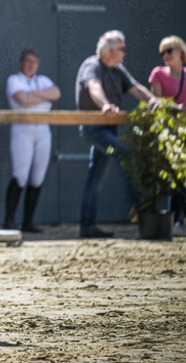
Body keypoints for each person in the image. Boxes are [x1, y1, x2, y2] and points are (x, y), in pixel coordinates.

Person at [75, 30, 159, 238]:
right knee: (123, 152)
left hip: (109, 129)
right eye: (122, 48)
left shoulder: (117, 70)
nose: (124, 52)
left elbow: (136, 88)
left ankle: (87, 224)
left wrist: (153, 101)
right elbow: (94, 87)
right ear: (110, 51)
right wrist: (105, 105)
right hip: (94, 129)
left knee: (95, 177)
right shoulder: (92, 65)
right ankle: (137, 205)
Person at [3, 49, 61, 232]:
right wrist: (41, 96)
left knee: (38, 177)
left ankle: (28, 221)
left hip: (43, 130)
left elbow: (56, 93)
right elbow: (22, 99)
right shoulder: (14, 80)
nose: (31, 65)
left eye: (34, 62)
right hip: (23, 129)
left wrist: (33, 95)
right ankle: (9, 220)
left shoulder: (42, 80)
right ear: (21, 62)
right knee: (20, 175)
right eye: (28, 61)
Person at [147, 35, 186, 229]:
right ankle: (178, 219)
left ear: (180, 52)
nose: (165, 55)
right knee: (176, 174)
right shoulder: (158, 74)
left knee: (185, 173)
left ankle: (180, 219)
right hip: (168, 132)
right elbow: (157, 102)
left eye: (169, 51)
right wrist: (178, 108)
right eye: (162, 52)